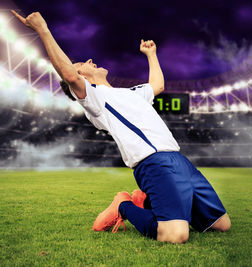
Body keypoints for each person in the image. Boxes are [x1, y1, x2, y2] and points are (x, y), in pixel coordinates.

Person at [11, 10, 231, 243]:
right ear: (78, 78)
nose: (89, 61)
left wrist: (151, 54)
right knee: (176, 236)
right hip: (153, 163)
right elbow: (69, 76)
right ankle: (123, 206)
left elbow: (157, 85)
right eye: (81, 65)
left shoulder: (129, 93)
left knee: (221, 225)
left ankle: (146, 202)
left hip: (179, 160)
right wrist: (43, 30)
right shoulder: (94, 100)